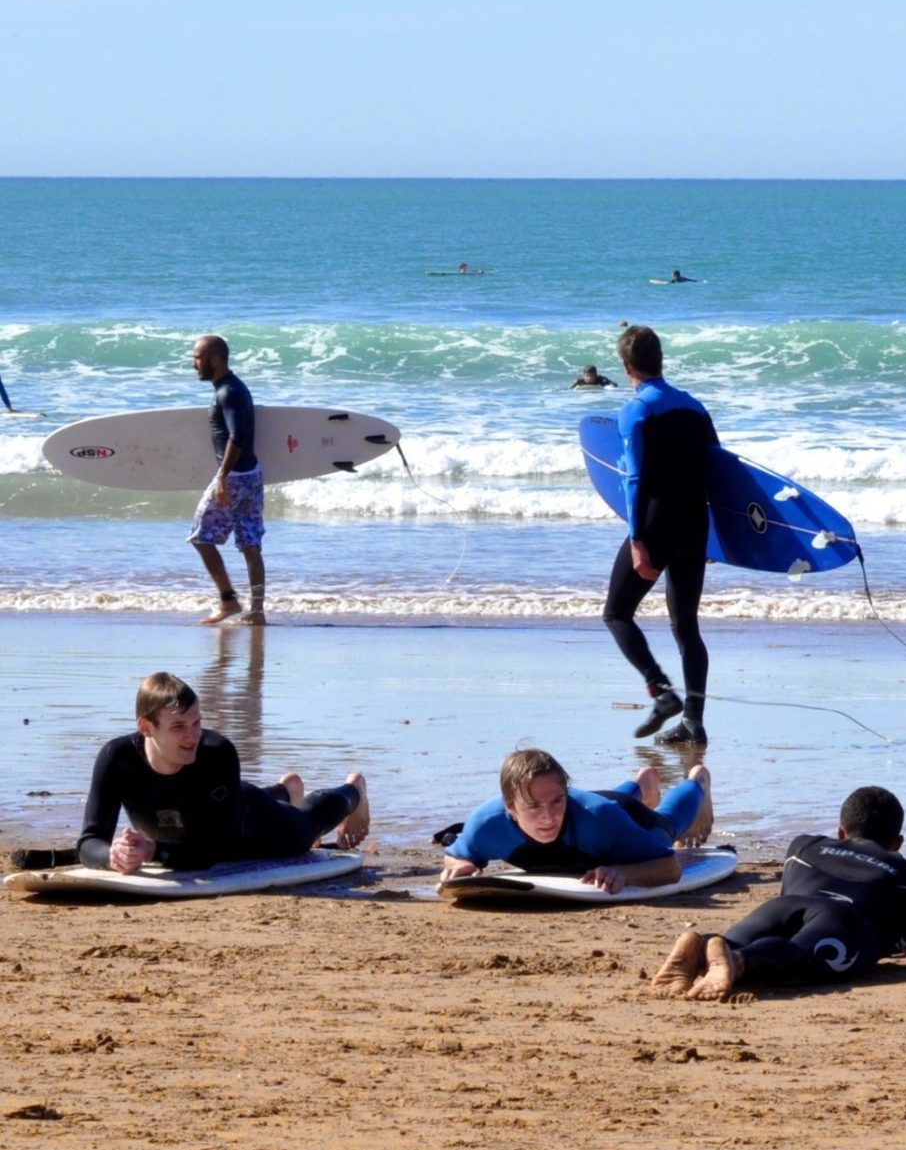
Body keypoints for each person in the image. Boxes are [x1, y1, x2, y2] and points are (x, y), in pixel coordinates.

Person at [650, 786, 906, 1002]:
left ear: (841, 832)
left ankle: (704, 944)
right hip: (844, 917)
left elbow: (789, 908)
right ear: (897, 843)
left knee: (732, 942)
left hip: (783, 905)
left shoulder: (802, 847)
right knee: (802, 958)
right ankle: (738, 963)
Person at [79, 672, 369, 872]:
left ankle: (353, 791)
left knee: (305, 830)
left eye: (196, 723)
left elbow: (211, 851)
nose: (192, 736)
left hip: (247, 824)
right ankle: (285, 791)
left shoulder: (217, 754)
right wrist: (113, 855)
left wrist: (153, 851)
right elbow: (89, 842)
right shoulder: (117, 758)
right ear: (146, 728)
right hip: (208, 812)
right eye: (178, 727)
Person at [602, 323, 718, 745]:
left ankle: (662, 691)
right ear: (660, 360)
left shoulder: (636, 410)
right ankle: (694, 722)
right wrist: (716, 538)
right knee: (686, 626)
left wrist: (637, 539)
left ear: (627, 366)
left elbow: (635, 479)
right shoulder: (695, 407)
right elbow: (719, 473)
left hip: (655, 525)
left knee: (616, 614)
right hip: (694, 525)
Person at [439, 749, 711, 894]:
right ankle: (641, 784)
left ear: (566, 793)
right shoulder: (487, 824)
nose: (548, 816)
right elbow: (455, 856)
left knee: (668, 825)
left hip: (617, 813)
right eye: (533, 806)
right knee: (599, 808)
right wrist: (460, 866)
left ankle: (698, 782)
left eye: (557, 801)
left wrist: (624, 873)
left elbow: (670, 867)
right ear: (510, 807)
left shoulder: (600, 819)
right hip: (599, 807)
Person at [188, 335, 266, 626]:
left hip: (233, 477)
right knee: (250, 543)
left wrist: (221, 478)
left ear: (215, 359)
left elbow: (238, 437)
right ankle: (257, 612)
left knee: (201, 537)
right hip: (252, 475)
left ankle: (229, 601)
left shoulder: (228, 393)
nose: (194, 364)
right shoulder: (235, 388)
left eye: (197, 358)